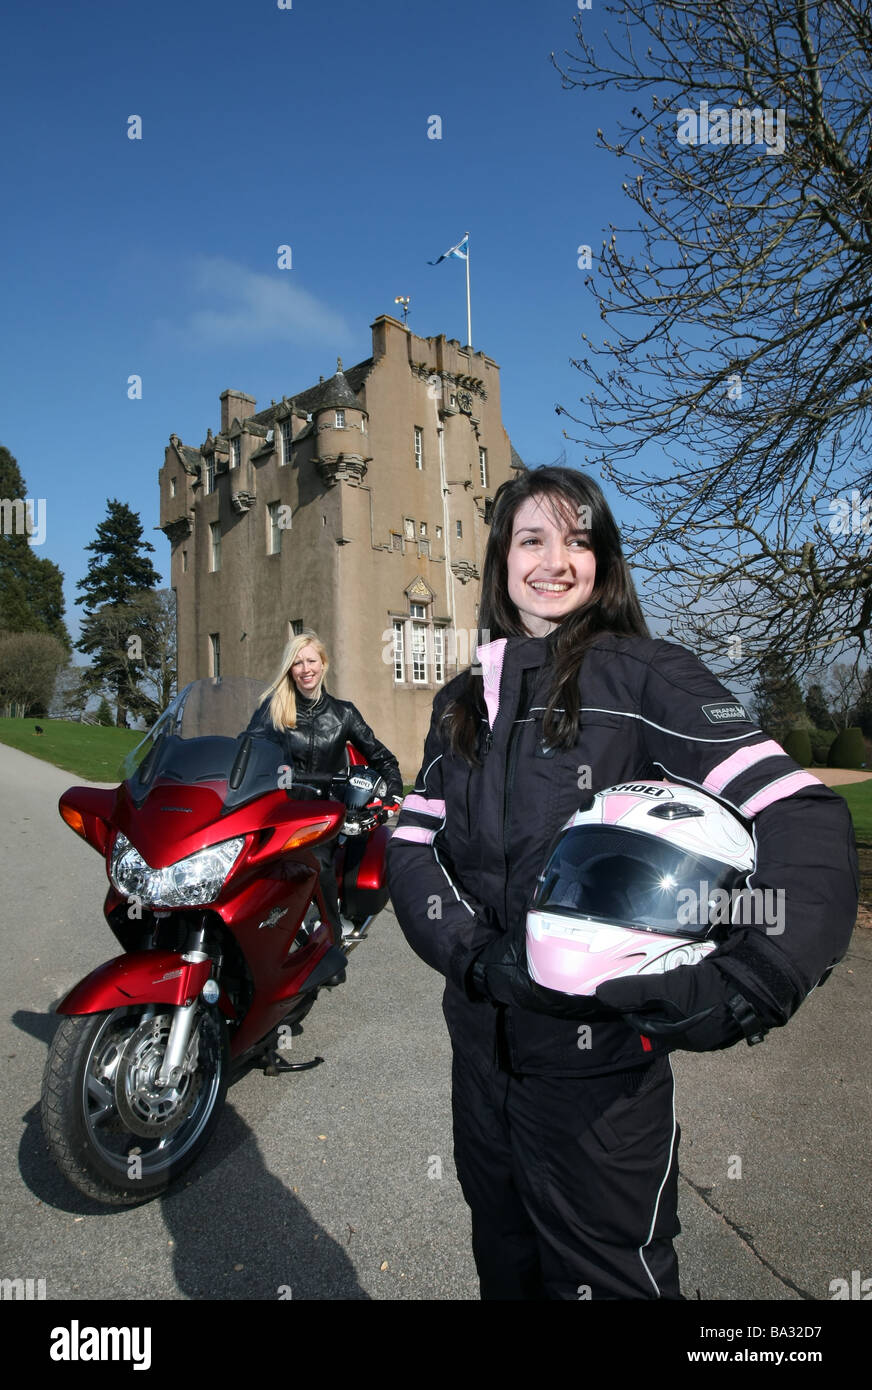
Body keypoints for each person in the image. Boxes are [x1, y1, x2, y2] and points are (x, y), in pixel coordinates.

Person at [386, 465, 858, 1301]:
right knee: (507, 1276)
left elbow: (802, 813)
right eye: (532, 539)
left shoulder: (646, 676)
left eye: (579, 541)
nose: (554, 561)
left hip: (599, 1078)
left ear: (604, 561)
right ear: (501, 559)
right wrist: (474, 958)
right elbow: (413, 844)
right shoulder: (463, 699)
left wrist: (758, 977)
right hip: (481, 1069)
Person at [247, 630, 402, 943]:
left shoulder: (342, 713)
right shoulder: (272, 710)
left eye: (311, 661)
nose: (305, 669)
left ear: (323, 664)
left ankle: (329, 943)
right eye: (297, 663)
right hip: (277, 809)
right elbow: (244, 752)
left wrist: (391, 797)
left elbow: (384, 760)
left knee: (317, 861)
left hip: (322, 815)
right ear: (289, 669)